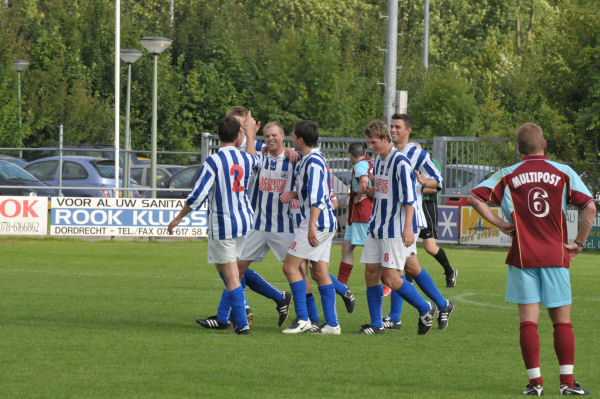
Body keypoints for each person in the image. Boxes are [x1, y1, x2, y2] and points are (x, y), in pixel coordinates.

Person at [468, 122, 595, 396]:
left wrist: (499, 223)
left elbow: (475, 197)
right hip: (555, 254)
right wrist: (579, 243)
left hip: (523, 257)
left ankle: (535, 383)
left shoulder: (509, 174)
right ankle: (568, 383)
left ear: (518, 148)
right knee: (562, 321)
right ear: (545, 144)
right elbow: (590, 207)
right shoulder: (563, 172)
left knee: (529, 322)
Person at [196, 121, 294, 330]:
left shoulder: (254, 149)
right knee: (235, 269)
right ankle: (270, 300)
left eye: (244, 126)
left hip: (250, 222)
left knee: (234, 271)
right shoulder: (250, 151)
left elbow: (276, 148)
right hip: (252, 221)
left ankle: (235, 318)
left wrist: (289, 150)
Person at [167, 114, 259, 335]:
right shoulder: (245, 159)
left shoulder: (214, 161)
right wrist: (250, 133)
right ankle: (230, 317)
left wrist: (179, 217)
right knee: (226, 270)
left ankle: (242, 324)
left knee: (231, 276)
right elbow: (255, 159)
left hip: (224, 223)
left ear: (218, 135)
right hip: (244, 222)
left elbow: (198, 195)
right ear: (237, 136)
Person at [356, 120, 437, 335]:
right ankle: (376, 324)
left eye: (374, 143)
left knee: (391, 278)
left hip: (394, 228)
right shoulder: (379, 161)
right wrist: (368, 190)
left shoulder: (400, 163)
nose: (370, 147)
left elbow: (410, 199)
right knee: (371, 272)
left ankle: (425, 307)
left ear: (385, 139)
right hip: (376, 226)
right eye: (368, 143)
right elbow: (384, 194)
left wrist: (407, 229)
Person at [382, 114, 455, 331]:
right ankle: (443, 304)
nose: (393, 130)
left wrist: (426, 181)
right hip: (392, 219)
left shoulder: (418, 154)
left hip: (408, 219)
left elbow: (439, 181)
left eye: (397, 127)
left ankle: (397, 316)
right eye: (391, 126)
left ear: (408, 130)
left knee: (398, 269)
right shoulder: (390, 153)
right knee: (409, 267)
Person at [280, 120, 340, 334]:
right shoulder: (312, 158)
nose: (291, 138)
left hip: (316, 222)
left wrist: (311, 227)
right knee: (320, 272)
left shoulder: (312, 162)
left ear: (301, 139)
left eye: (293, 135)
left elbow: (316, 198)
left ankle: (303, 318)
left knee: (290, 267)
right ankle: (332, 324)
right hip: (324, 222)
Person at [412, 142, 458, 288]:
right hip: (411, 206)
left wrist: (415, 190)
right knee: (407, 243)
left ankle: (450, 271)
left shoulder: (432, 163)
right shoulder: (408, 162)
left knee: (430, 247)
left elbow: (436, 188)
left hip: (427, 205)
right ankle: (407, 280)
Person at [337, 143, 373, 286]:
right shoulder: (370, 162)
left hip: (362, 213)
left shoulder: (359, 166)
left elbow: (363, 182)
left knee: (370, 250)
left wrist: (358, 196)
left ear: (350, 155)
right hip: (356, 215)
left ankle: (387, 284)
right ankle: (341, 284)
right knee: (347, 247)